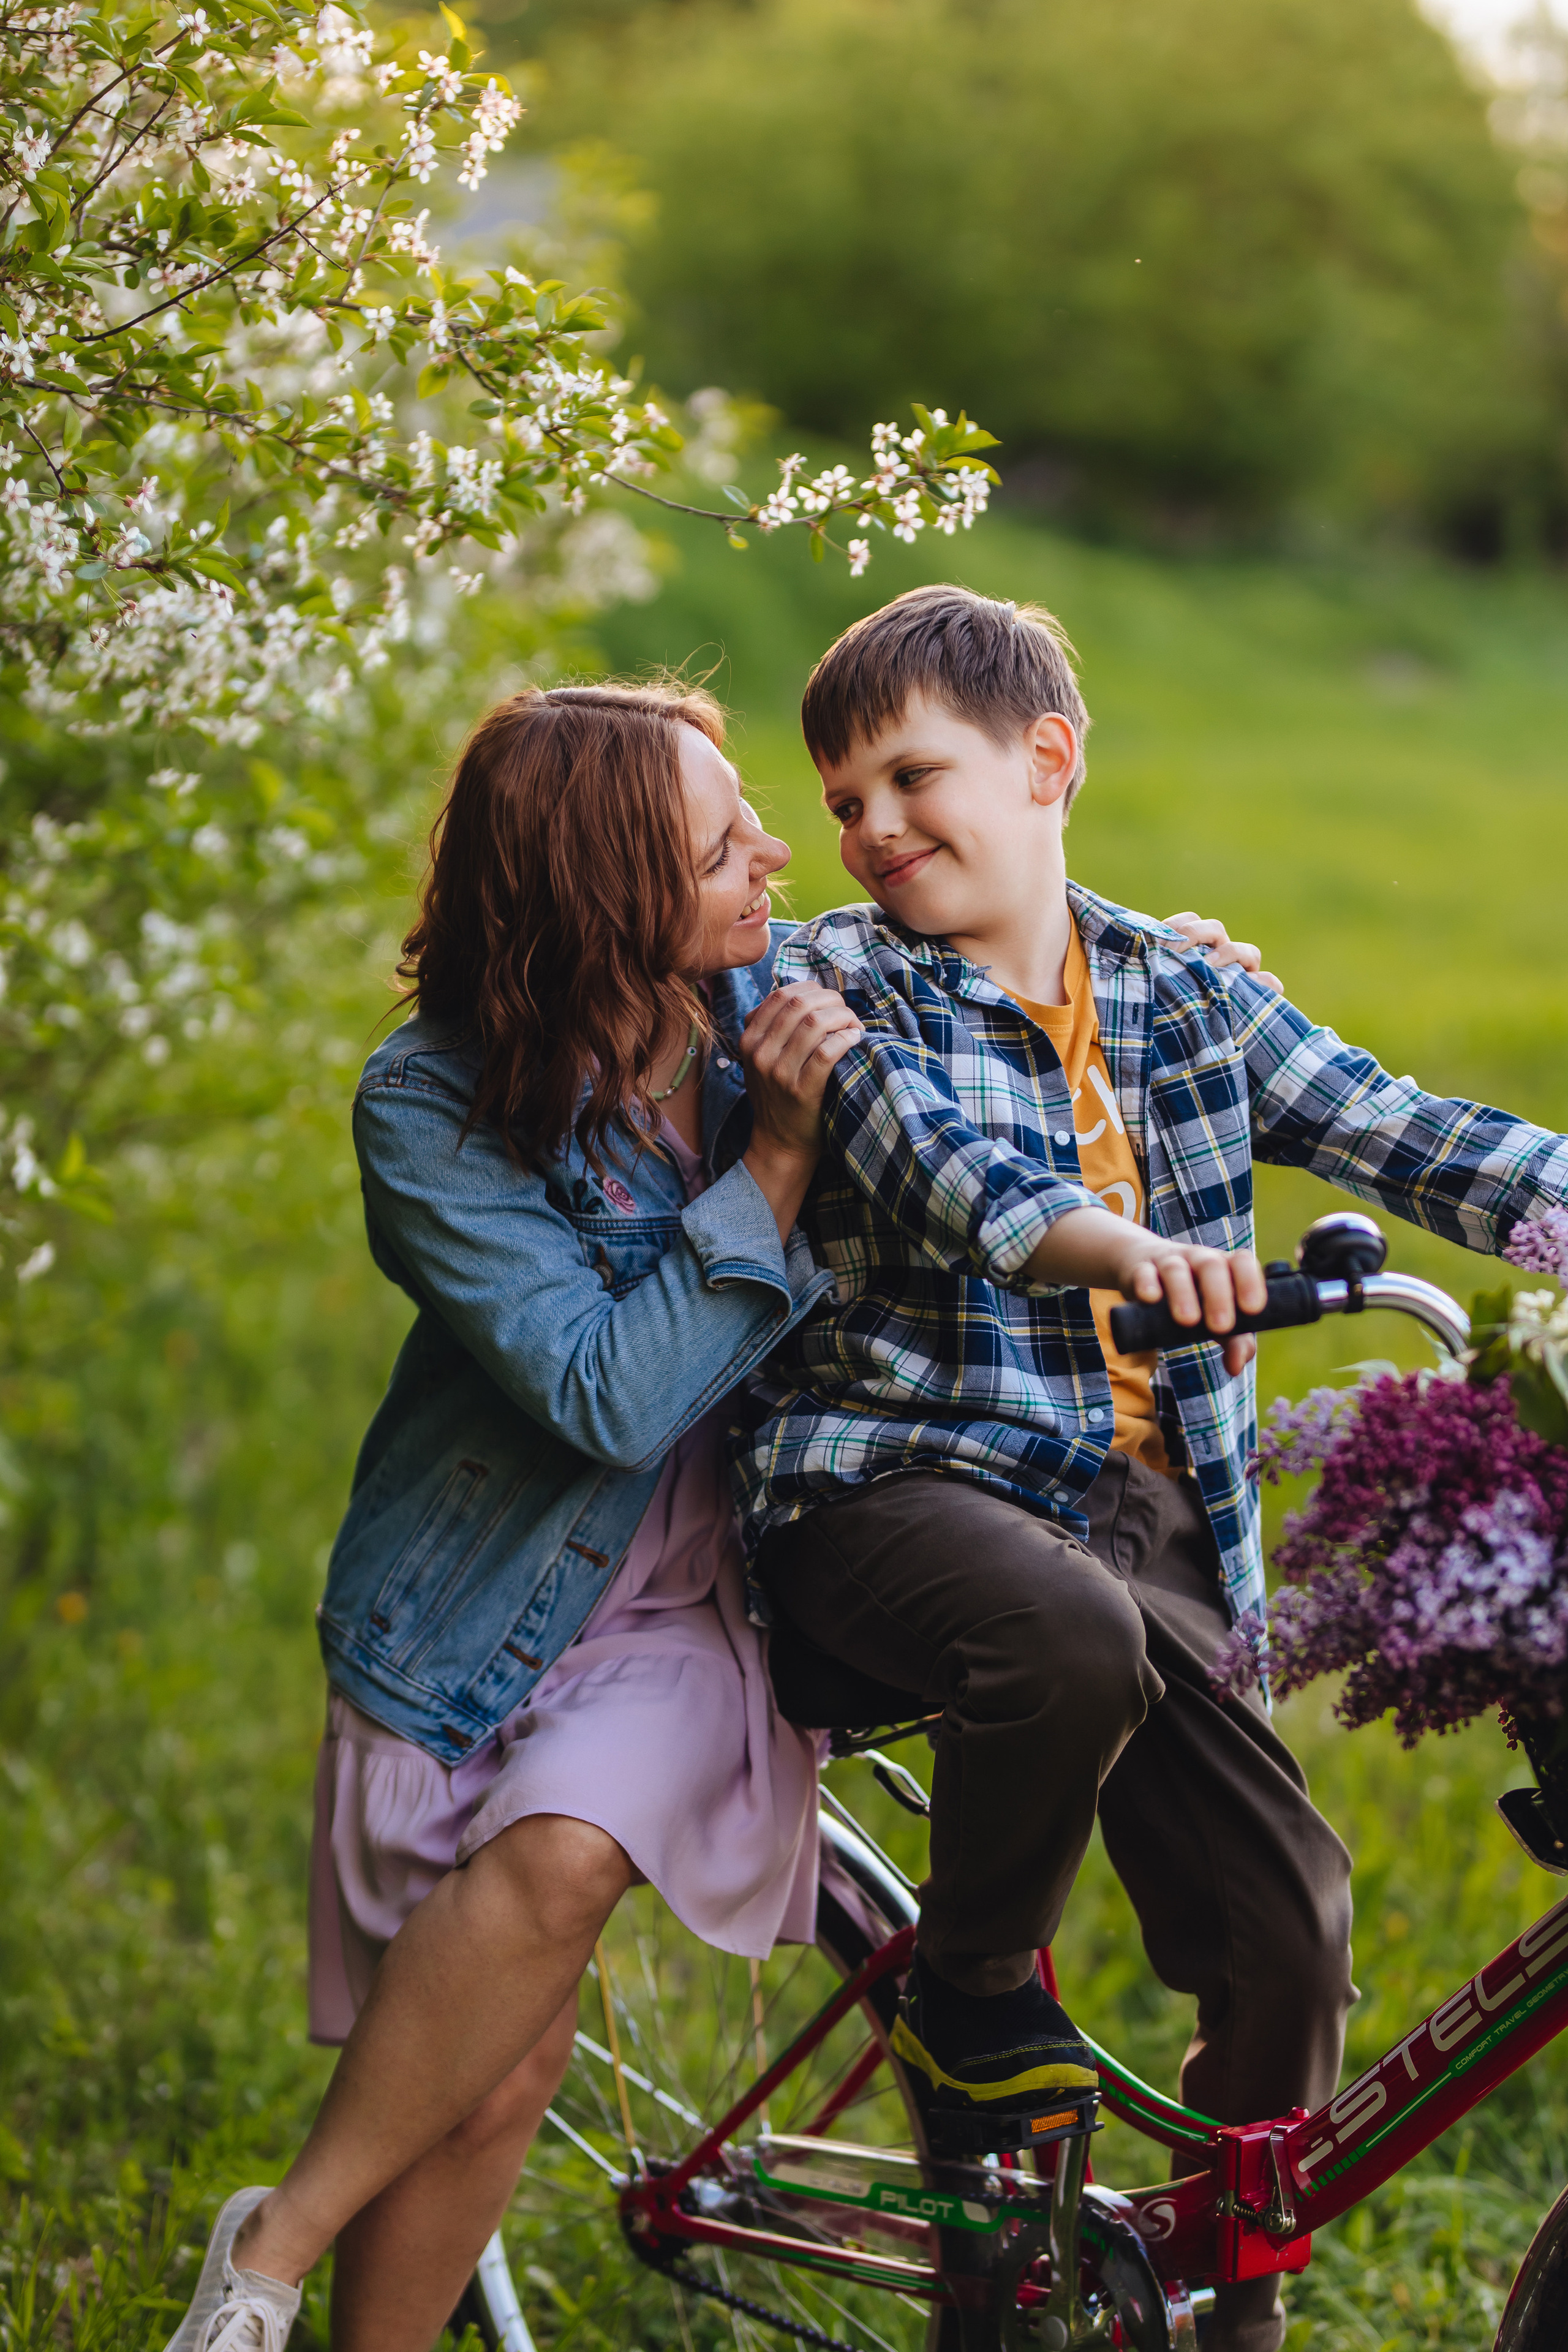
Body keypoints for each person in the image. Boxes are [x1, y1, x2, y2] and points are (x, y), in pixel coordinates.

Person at [164, 671, 1269, 2352]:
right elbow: (605, 1392)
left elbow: (987, 993)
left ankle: (274, 2254)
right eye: (718, 843)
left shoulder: (785, 987)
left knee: (560, 1865)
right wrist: (768, 1173)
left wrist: (1139, 975)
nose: (774, 850)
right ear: (610, 902)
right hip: (479, 1609)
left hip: (705, 1598)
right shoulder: (427, 1110)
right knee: (500, 2064)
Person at [736, 583, 1568, 2352]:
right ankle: (973, 1993)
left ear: (1047, 762)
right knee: (1059, 1637)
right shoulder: (837, 978)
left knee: (1292, 1933)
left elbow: (1408, 1128)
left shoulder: (1188, 990)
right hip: (901, 1484)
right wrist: (1116, 1247)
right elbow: (936, 1161)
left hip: (1148, 1519)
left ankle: (1217, 2302)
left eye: (909, 776)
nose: (875, 829)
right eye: (844, 803)